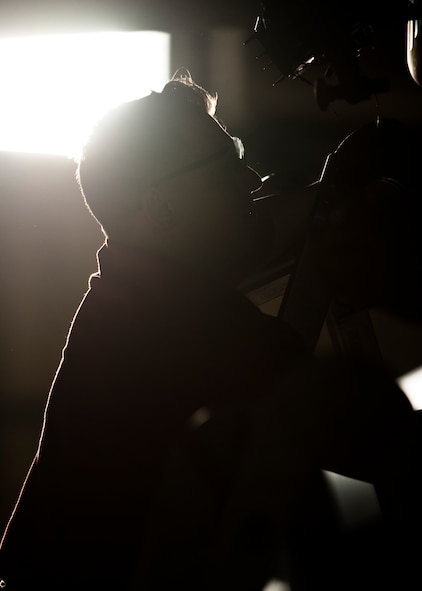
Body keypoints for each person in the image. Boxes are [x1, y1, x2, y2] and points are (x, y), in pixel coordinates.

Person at [0, 69, 420, 591]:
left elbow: (260, 231)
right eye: (228, 167)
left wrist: (334, 193)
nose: (252, 182)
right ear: (161, 204)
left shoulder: (124, 297)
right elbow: (377, 445)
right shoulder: (186, 331)